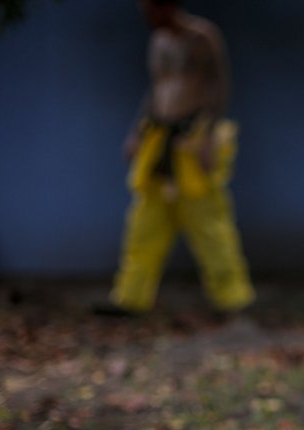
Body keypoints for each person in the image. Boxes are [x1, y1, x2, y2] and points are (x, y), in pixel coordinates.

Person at [98, 0, 253, 315]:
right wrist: (137, 133)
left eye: (152, 9)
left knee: (210, 224)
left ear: (168, 6)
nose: (146, 16)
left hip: (193, 139)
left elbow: (219, 86)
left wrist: (209, 134)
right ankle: (131, 298)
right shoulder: (159, 41)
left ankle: (233, 300)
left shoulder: (202, 36)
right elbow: (156, 91)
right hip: (159, 136)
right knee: (145, 223)